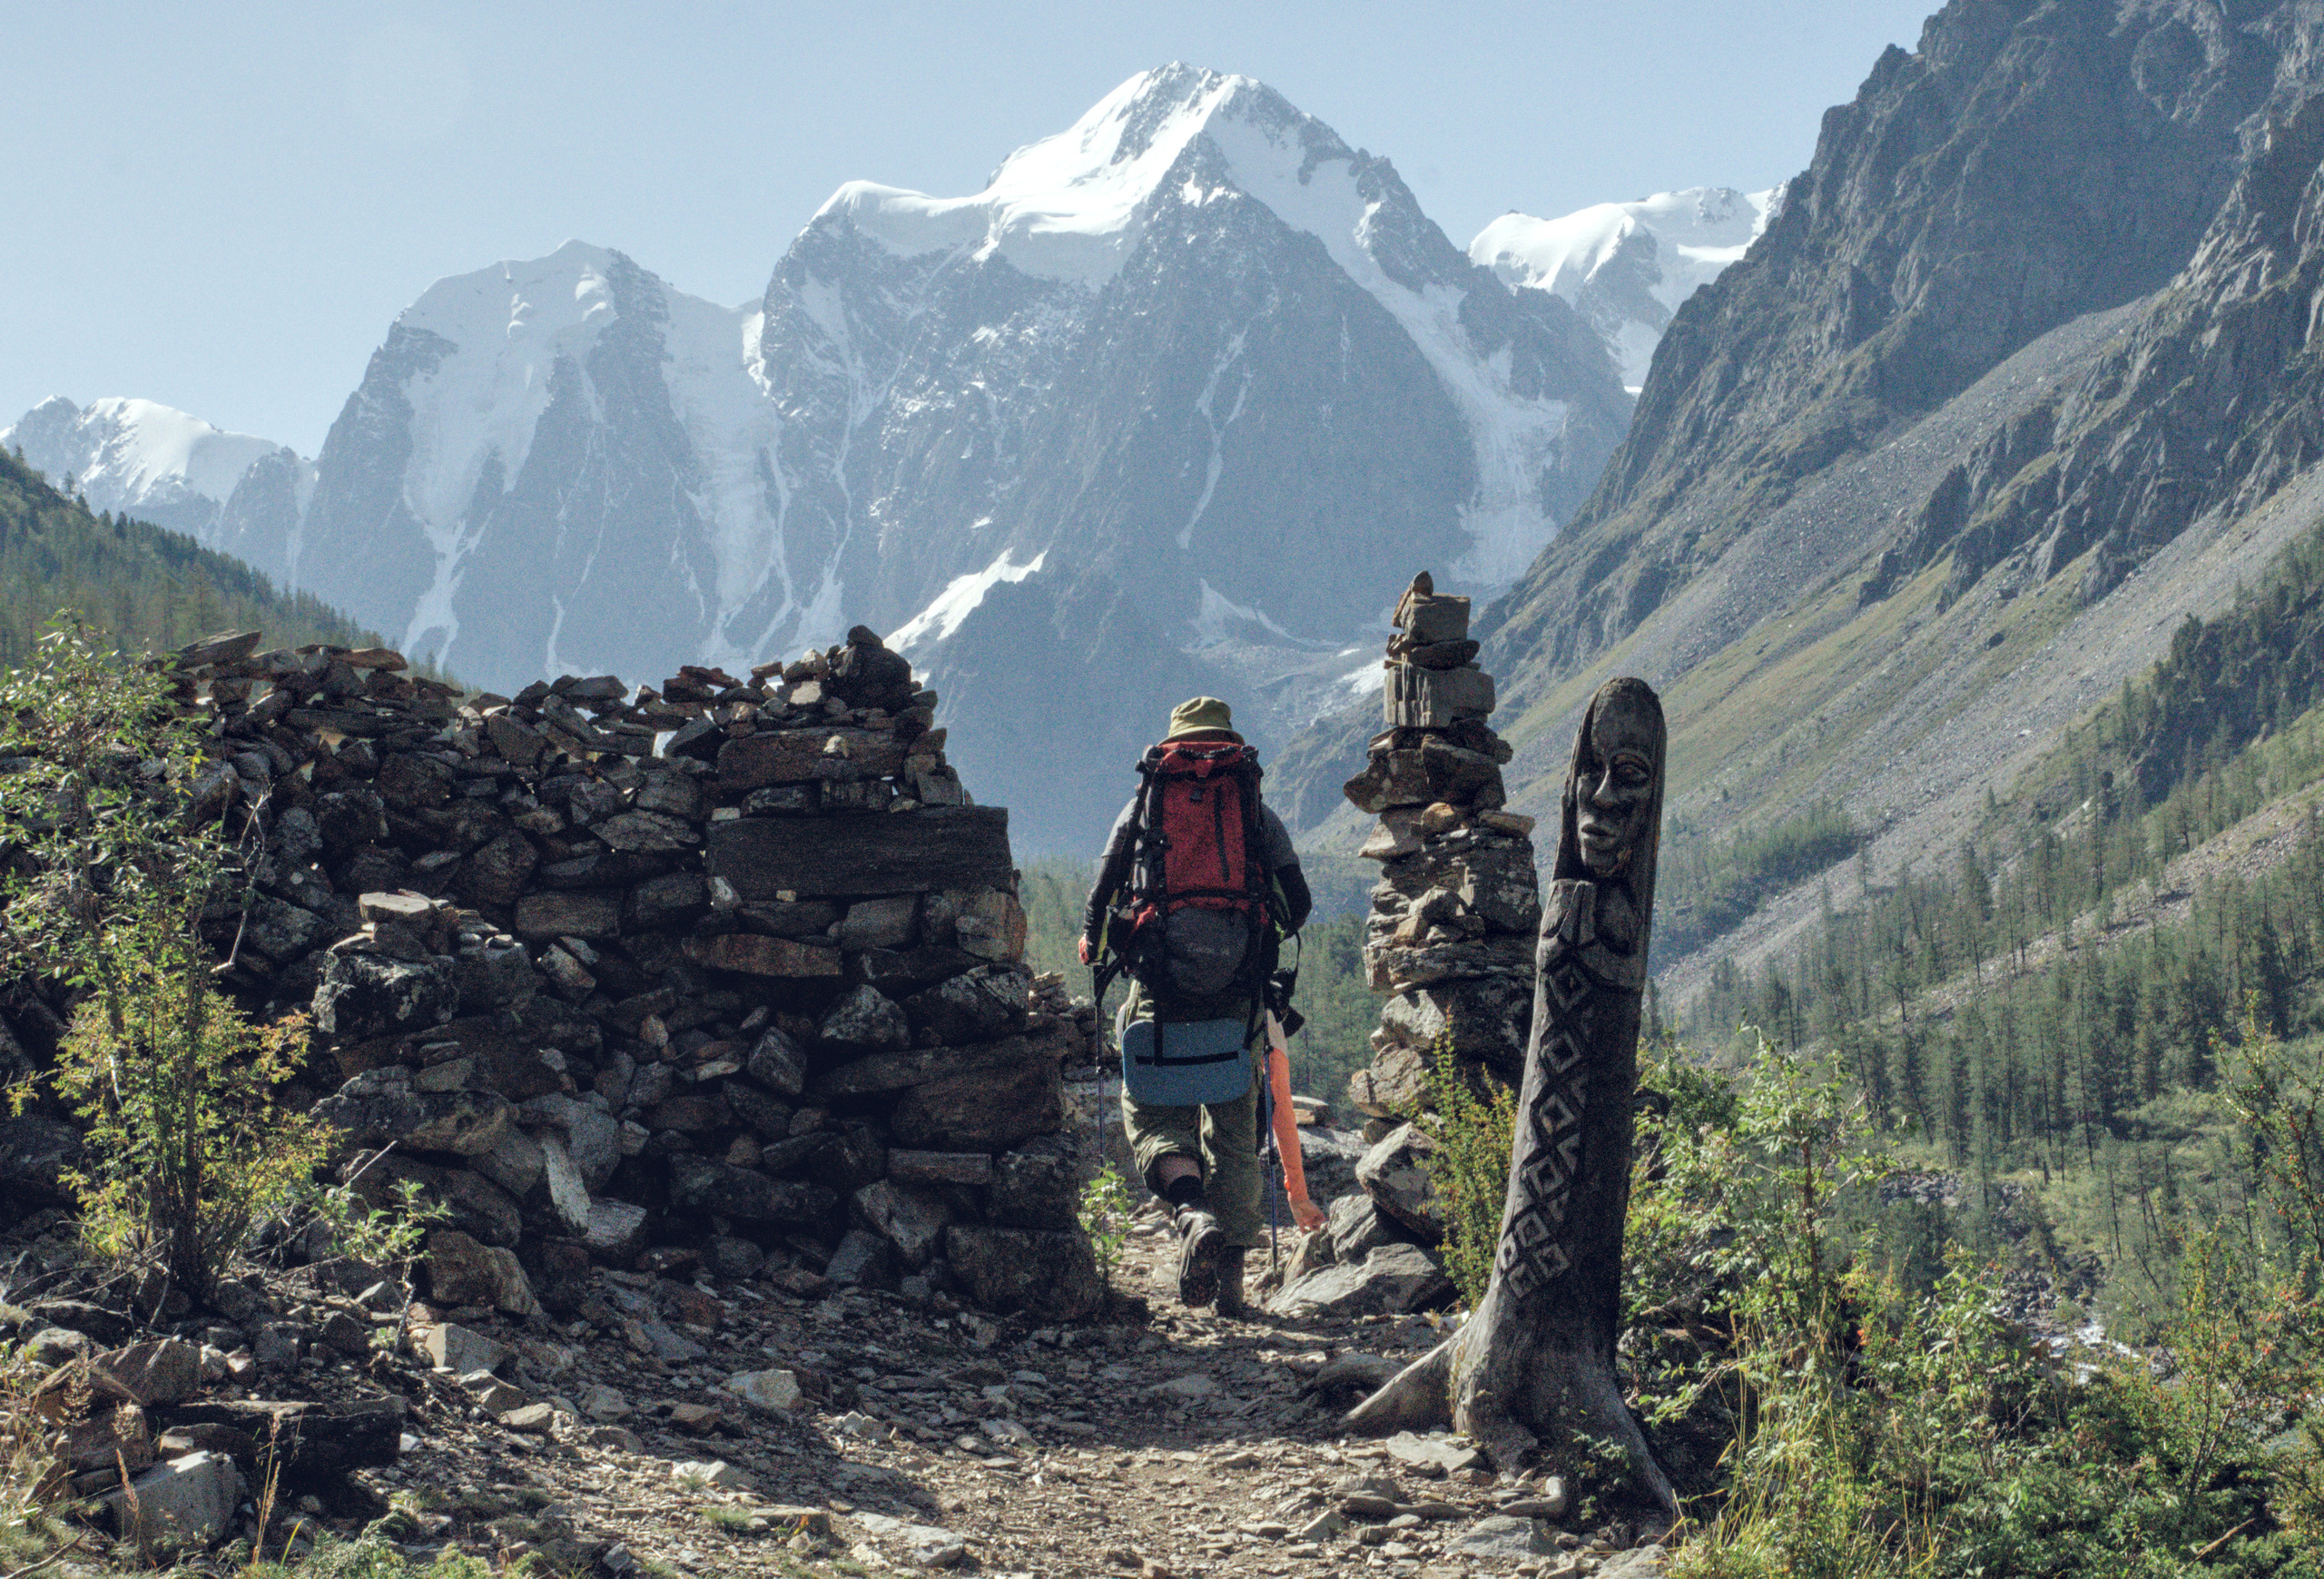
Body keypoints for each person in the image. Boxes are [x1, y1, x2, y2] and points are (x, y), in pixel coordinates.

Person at [1078, 696, 1323, 1317]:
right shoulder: (1255, 812)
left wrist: (1098, 946)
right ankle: (1233, 1288)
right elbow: (1298, 904)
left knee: (1152, 1114)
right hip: (1237, 1000)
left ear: (1172, 747)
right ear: (1231, 745)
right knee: (1236, 1133)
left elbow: (1099, 902)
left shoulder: (1144, 805)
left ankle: (1191, 1212)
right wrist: (1254, 935)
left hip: (1160, 995)